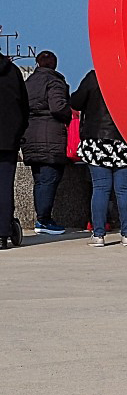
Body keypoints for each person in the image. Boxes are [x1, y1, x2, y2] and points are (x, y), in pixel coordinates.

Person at [70, 69, 127, 247]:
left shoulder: (95, 76)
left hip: (97, 140)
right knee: (124, 189)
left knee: (100, 188)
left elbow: (76, 102)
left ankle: (99, 235)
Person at [20, 50, 71, 235]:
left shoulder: (28, 83)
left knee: (40, 180)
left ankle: (42, 218)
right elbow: (58, 107)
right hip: (50, 138)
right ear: (54, 64)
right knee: (49, 180)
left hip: (30, 137)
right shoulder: (54, 82)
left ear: (37, 63)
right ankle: (44, 220)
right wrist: (69, 114)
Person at [0, 50, 27, 250]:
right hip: (7, 140)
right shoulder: (13, 72)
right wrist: (16, 133)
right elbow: (24, 108)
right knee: (4, 187)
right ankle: (2, 233)